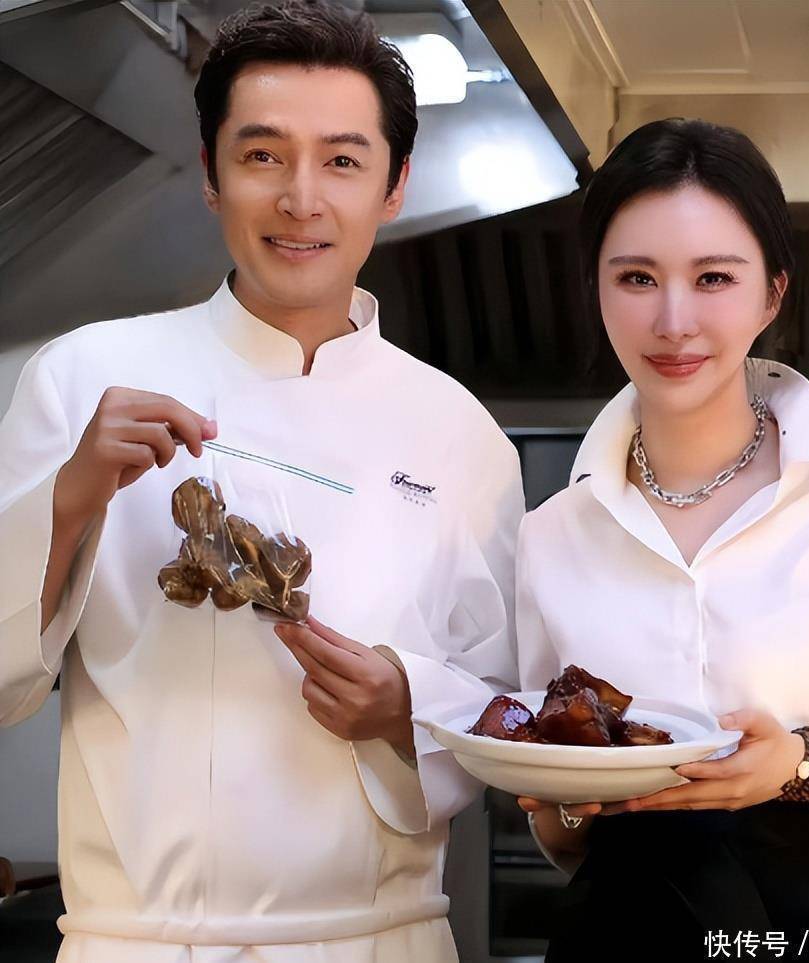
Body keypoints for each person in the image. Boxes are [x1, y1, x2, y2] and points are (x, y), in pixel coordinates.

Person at [0, 3, 523, 960]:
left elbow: (505, 712)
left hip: (380, 939)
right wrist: (70, 500)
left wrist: (410, 707)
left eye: (343, 160)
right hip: (140, 942)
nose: (301, 198)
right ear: (211, 174)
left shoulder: (462, 434)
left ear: (396, 186)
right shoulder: (83, 377)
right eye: (263, 155)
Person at [514, 118, 809, 962]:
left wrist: (799, 764)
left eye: (714, 277)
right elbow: (560, 819)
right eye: (637, 277)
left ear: (772, 293)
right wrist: (567, 800)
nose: (674, 319)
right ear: (597, 290)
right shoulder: (550, 535)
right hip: (618, 934)